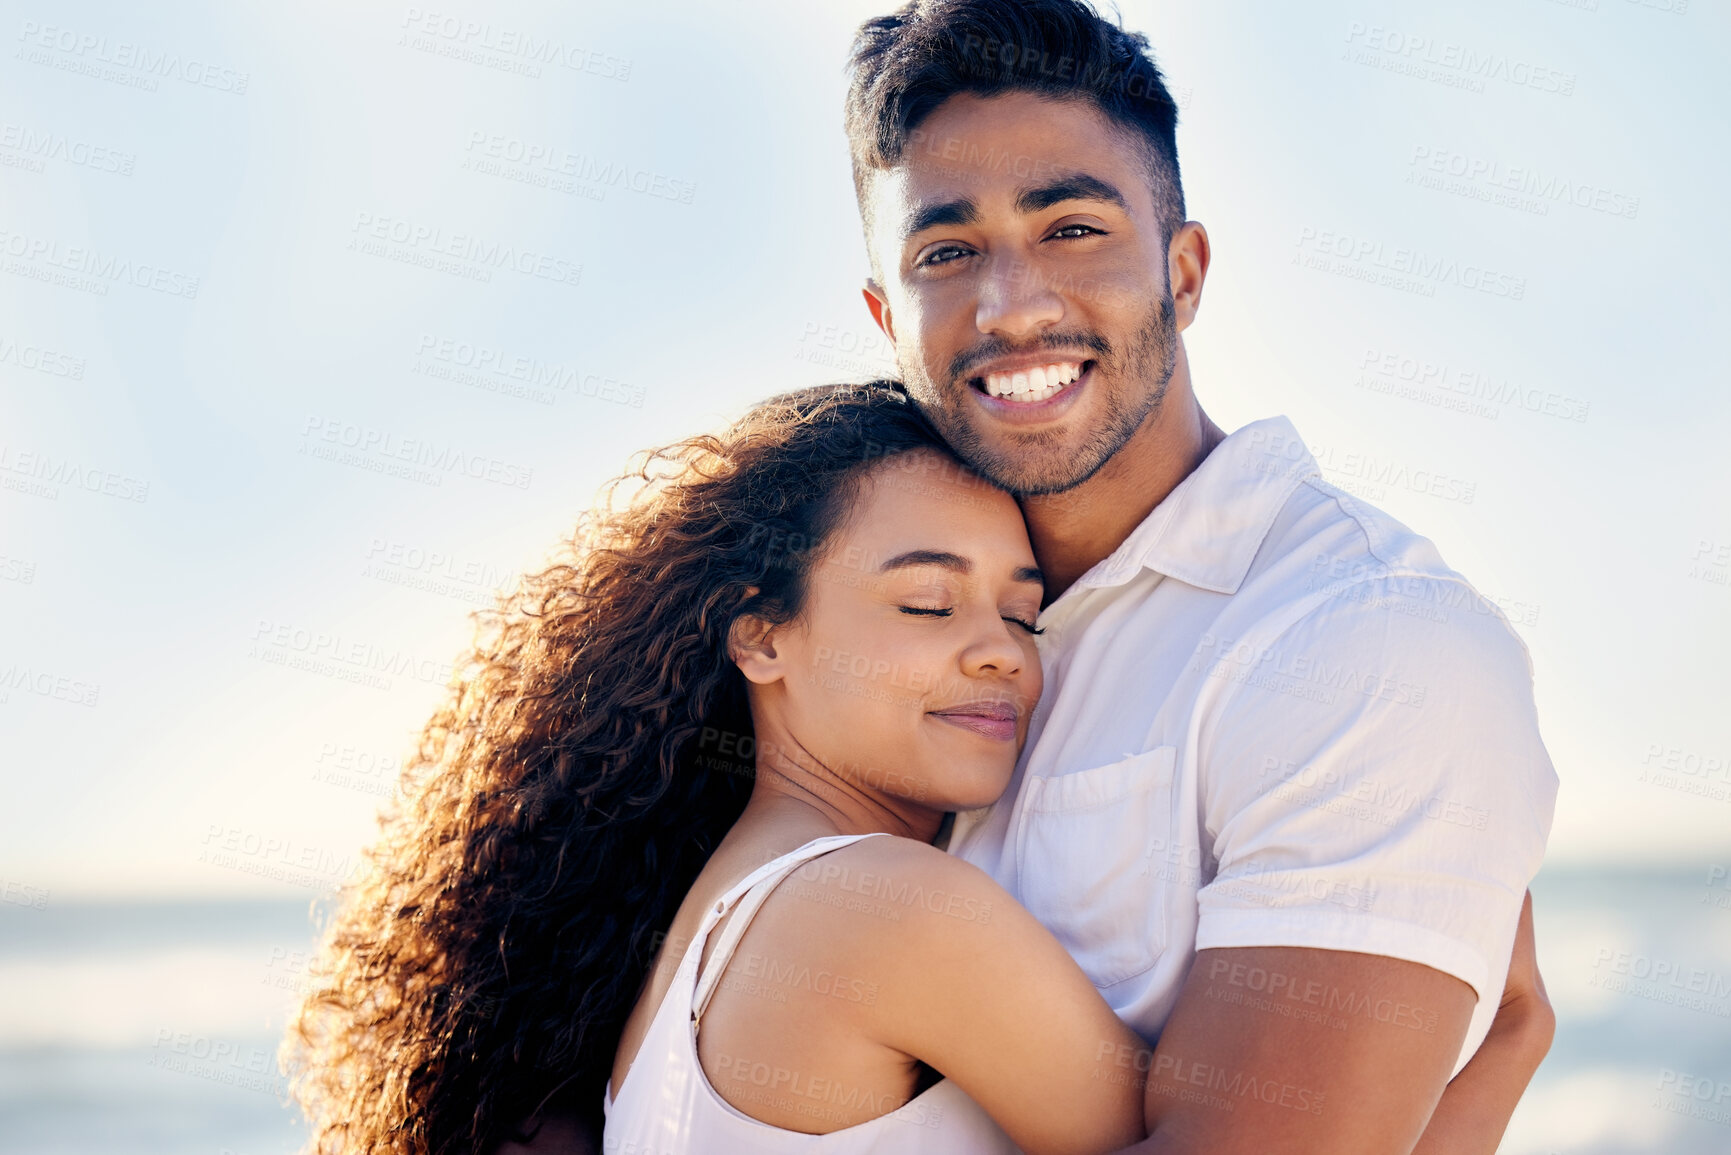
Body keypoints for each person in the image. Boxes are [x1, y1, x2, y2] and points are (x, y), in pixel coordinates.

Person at [286, 385, 1548, 1155]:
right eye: (927, 606)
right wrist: (1496, 1063)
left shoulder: (719, 909)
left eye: (1020, 610)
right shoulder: (882, 908)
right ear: (761, 635)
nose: (999, 654)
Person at [839, 0, 1560, 1150]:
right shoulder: (852, 628)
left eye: (1071, 227)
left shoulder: (1369, 645)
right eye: (945, 251)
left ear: (1184, 272)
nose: (1012, 306)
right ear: (887, 317)